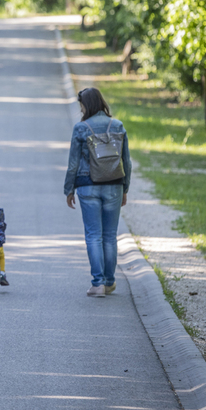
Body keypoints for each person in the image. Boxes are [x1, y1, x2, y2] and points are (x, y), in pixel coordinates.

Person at [64, 87, 131, 297]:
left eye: (81, 105)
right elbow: (126, 161)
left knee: (93, 235)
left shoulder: (81, 128)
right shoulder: (118, 126)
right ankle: (110, 282)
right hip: (114, 185)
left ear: (87, 105)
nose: (81, 109)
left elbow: (73, 163)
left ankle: (98, 283)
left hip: (88, 186)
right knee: (110, 236)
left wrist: (69, 189)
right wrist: (125, 187)